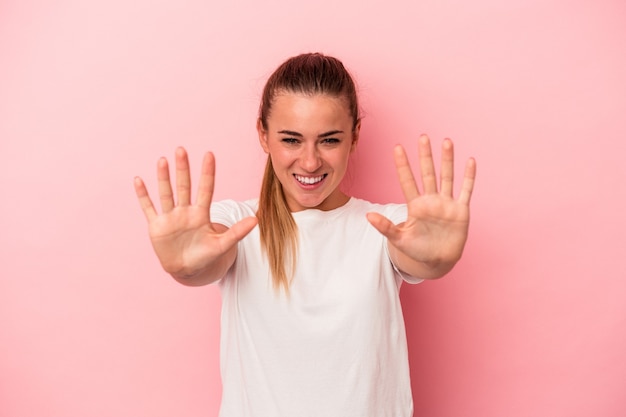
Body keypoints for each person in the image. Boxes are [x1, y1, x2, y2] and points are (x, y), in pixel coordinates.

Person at [134, 52, 476, 417]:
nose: (310, 162)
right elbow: (204, 262)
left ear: (354, 136)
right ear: (263, 136)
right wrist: (184, 266)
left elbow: (418, 256)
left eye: (329, 140)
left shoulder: (383, 227)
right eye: (291, 140)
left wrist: (435, 258)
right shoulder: (236, 224)